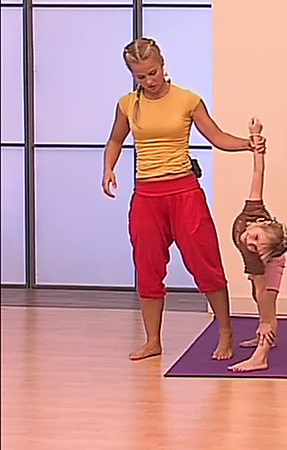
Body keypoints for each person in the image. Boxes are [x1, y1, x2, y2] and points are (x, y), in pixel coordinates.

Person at [101, 37, 266, 361]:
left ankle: (226, 331)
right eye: (140, 76)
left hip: (184, 193)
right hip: (147, 196)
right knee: (147, 267)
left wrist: (247, 144)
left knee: (205, 263)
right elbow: (116, 140)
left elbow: (217, 137)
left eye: (153, 72)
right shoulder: (127, 104)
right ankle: (153, 341)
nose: (149, 81)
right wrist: (108, 168)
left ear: (162, 65)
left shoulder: (188, 100)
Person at [227, 118, 287, 373]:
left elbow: (263, 291)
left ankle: (261, 355)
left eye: (255, 246)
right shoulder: (255, 209)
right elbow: (258, 172)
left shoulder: (258, 258)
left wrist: (265, 321)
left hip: (271, 266)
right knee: (257, 295)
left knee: (267, 305)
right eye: (255, 238)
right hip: (266, 260)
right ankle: (264, 337)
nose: (249, 241)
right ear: (262, 223)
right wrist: (255, 137)